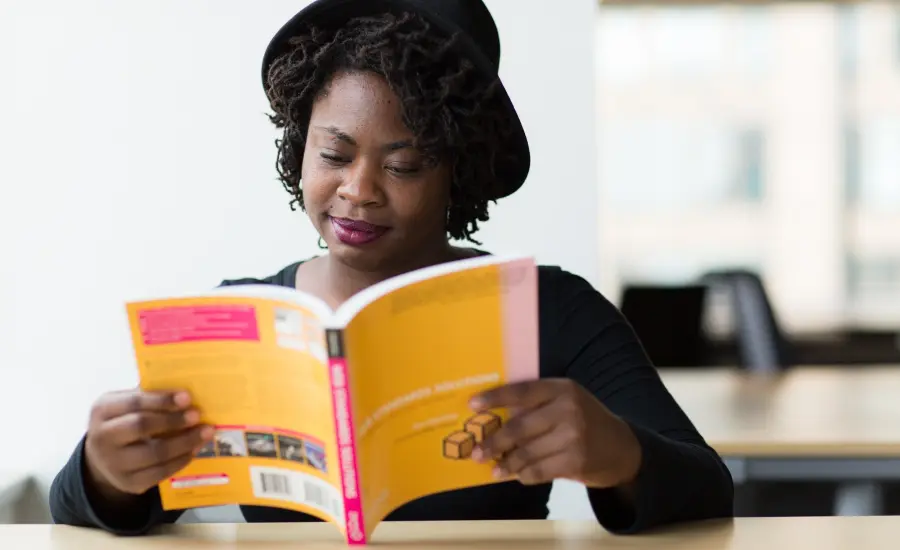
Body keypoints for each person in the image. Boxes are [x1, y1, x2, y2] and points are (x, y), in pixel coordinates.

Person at [49, 0, 733, 536]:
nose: (360, 188)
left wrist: (617, 452)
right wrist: (109, 471)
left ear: (454, 176)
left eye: (404, 165)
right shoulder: (240, 320)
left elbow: (709, 488)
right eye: (334, 154)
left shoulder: (549, 311)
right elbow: (88, 502)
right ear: (299, 150)